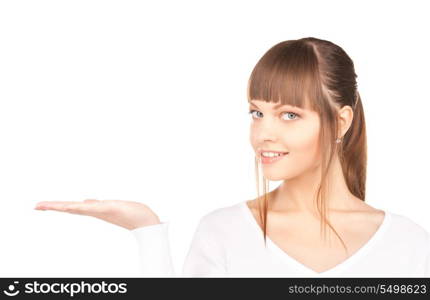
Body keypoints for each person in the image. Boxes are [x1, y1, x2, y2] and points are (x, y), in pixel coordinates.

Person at [34, 37, 430, 277]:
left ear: (341, 121)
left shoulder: (408, 244)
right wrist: (147, 231)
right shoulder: (223, 233)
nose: (264, 133)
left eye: (289, 114)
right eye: (257, 112)